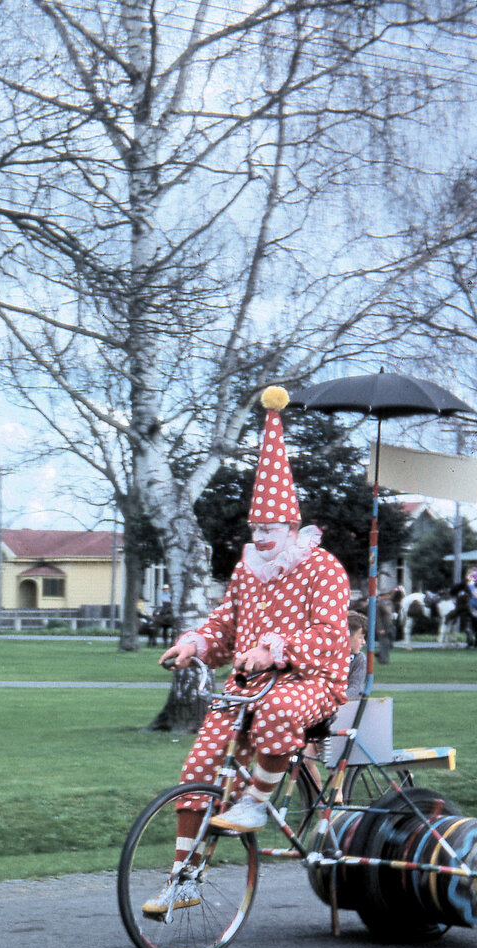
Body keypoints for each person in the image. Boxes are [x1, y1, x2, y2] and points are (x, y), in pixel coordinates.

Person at [144, 386, 350, 914]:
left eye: (270, 527)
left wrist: (276, 649)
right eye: (255, 526)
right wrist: (193, 644)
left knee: (279, 710)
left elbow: (330, 636)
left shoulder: (322, 568)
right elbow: (225, 625)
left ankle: (257, 802)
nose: (261, 536)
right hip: (246, 687)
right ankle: (183, 879)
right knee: (200, 764)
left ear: (290, 525)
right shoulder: (246, 570)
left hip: (313, 683)